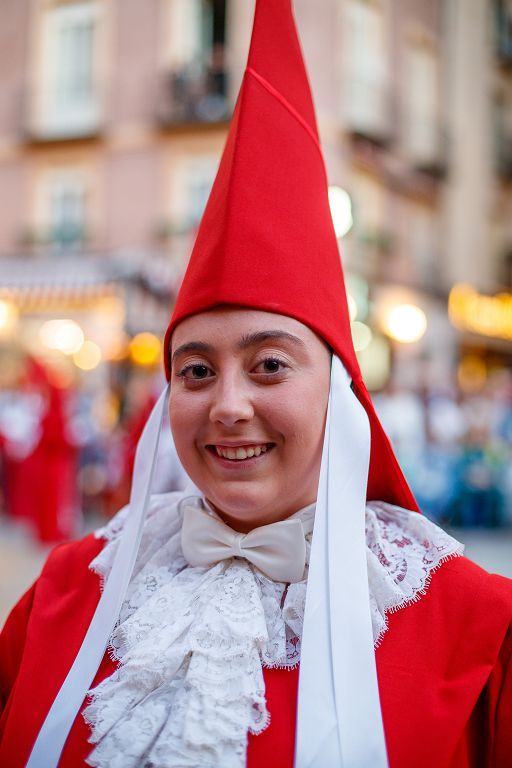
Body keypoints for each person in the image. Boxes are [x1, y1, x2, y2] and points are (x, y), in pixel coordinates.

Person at [1, 2, 512, 766]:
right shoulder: (66, 587)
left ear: (340, 393)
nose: (228, 406)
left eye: (270, 364)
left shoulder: (476, 623)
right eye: (196, 371)